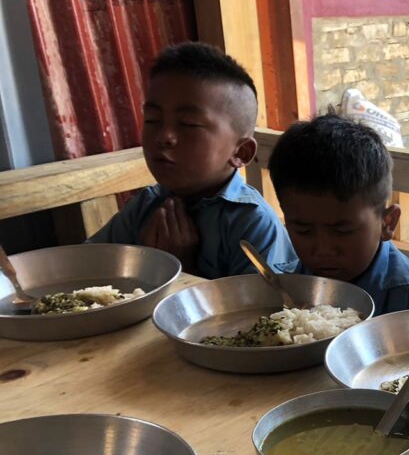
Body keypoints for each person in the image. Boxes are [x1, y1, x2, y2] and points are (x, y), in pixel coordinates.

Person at [90, 41, 296, 278]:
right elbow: (89, 270)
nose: (164, 137)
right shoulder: (146, 205)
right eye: (153, 120)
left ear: (241, 153)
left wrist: (181, 268)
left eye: (188, 124)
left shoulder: (252, 223)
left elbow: (267, 302)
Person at [266, 114, 409, 313]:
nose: (323, 249)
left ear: (387, 222)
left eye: (342, 231)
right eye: (303, 230)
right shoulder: (279, 291)